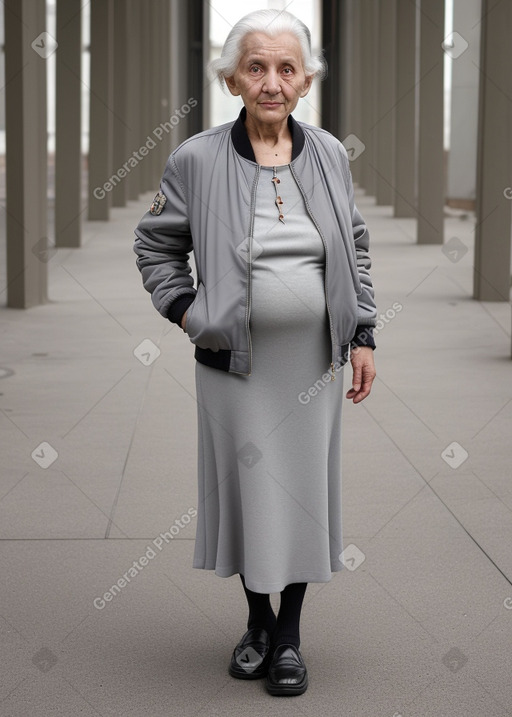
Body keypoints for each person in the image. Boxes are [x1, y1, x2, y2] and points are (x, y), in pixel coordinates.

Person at [134, 8, 377, 697]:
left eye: (286, 68)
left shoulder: (329, 153)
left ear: (305, 82)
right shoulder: (196, 159)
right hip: (234, 365)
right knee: (249, 495)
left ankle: (290, 637)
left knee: (301, 495)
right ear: (233, 78)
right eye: (256, 66)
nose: (272, 81)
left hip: (313, 363)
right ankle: (256, 621)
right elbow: (156, 244)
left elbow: (354, 246)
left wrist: (362, 333)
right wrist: (188, 312)